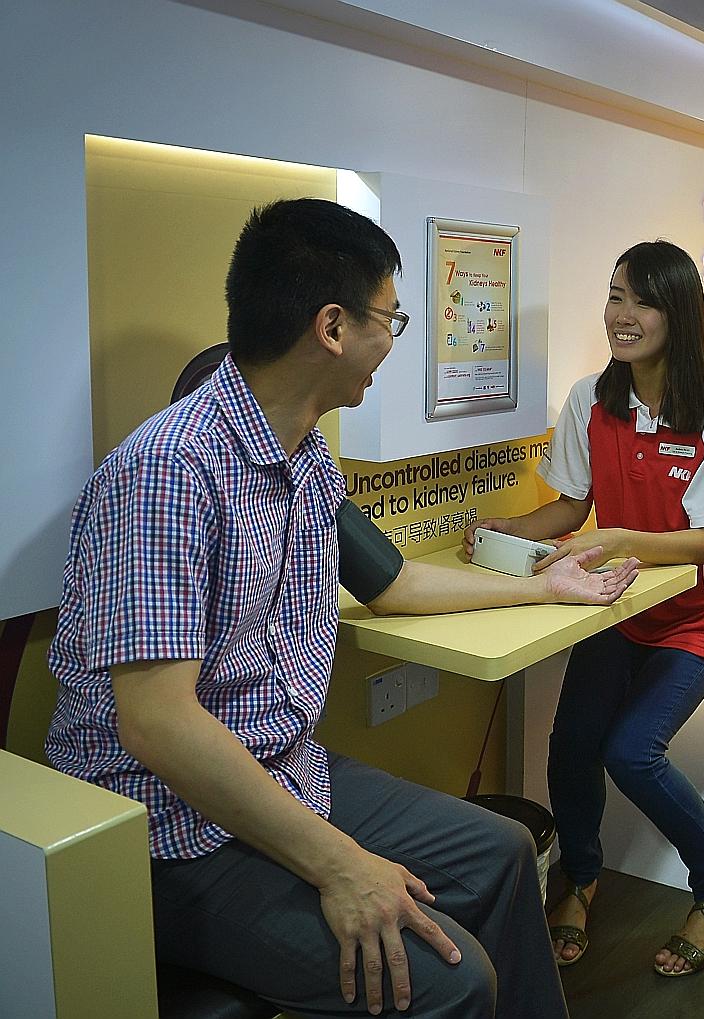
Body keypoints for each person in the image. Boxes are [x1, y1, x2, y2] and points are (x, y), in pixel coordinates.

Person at [46, 199, 635, 1018]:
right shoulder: (168, 472)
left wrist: (544, 584)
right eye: (389, 319)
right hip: (168, 826)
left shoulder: (305, 451)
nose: (392, 341)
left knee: (502, 851)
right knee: (455, 980)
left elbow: (393, 584)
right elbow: (157, 724)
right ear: (332, 327)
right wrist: (340, 865)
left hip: (282, 768)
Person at [465, 240, 704, 977]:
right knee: (572, 742)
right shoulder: (591, 400)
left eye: (643, 302)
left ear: (679, 316)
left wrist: (617, 538)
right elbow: (570, 506)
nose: (622, 315)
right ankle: (581, 877)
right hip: (619, 603)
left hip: (703, 608)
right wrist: (512, 529)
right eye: (615, 296)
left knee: (631, 751)